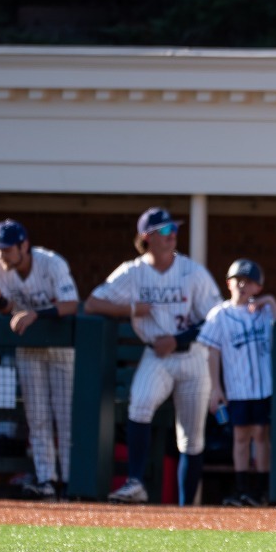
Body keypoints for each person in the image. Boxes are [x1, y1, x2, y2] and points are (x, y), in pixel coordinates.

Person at [84, 208, 221, 505]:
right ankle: (135, 482)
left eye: (174, 229)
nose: (172, 235)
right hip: (156, 355)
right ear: (147, 237)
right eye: (165, 230)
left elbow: (215, 320)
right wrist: (132, 309)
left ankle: (186, 508)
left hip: (192, 355)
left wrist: (177, 339)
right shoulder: (133, 272)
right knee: (140, 403)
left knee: (192, 436)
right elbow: (92, 303)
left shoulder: (191, 271)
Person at [0, 219, 79, 499]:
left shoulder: (51, 262)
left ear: (24, 245)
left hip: (60, 345)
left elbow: (71, 304)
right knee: (36, 416)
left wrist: (37, 314)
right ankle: (47, 478)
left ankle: (70, 481)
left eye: (7, 248)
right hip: (28, 345)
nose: (2, 254)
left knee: (65, 415)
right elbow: (6, 308)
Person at [201, 259, 276, 507]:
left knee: (261, 435)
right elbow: (212, 352)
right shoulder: (219, 314)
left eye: (248, 281)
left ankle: (261, 490)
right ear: (228, 283)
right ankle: (242, 489)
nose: (242, 285)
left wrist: (270, 301)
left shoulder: (265, 312)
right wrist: (215, 388)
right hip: (237, 387)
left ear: (258, 287)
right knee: (240, 437)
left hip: (264, 386)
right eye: (238, 280)